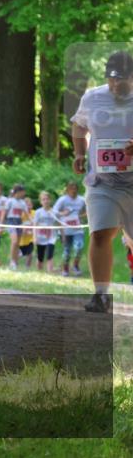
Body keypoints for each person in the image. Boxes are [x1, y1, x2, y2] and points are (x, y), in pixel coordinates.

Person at [73, 50, 133, 312]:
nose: (115, 85)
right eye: (111, 79)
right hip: (102, 181)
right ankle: (100, 295)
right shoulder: (93, 97)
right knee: (99, 234)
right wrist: (78, 153)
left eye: (121, 80)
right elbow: (79, 125)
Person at [53, 181, 87, 276]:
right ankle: (65, 268)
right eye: (71, 188)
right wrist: (63, 213)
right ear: (67, 190)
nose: (73, 190)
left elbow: (87, 211)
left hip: (77, 229)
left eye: (75, 188)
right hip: (66, 230)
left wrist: (81, 216)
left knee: (79, 247)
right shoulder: (62, 200)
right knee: (67, 251)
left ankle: (75, 265)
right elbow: (54, 212)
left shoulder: (81, 200)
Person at [5, 184, 29, 270]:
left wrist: (32, 222)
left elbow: (27, 214)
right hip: (11, 221)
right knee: (14, 241)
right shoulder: (10, 201)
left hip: (19, 221)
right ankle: (12, 260)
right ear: (18, 192)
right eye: (23, 192)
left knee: (18, 243)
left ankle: (15, 262)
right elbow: (5, 212)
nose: (24, 194)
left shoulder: (22, 202)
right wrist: (1, 224)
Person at [33, 190, 58, 273]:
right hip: (40, 237)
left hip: (51, 237)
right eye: (43, 199)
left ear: (50, 200)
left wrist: (63, 235)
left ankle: (50, 271)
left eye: (47, 199)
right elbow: (34, 225)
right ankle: (39, 271)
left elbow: (58, 223)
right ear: (41, 201)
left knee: (50, 254)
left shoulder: (54, 211)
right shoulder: (38, 212)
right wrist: (34, 237)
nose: (46, 201)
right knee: (40, 256)